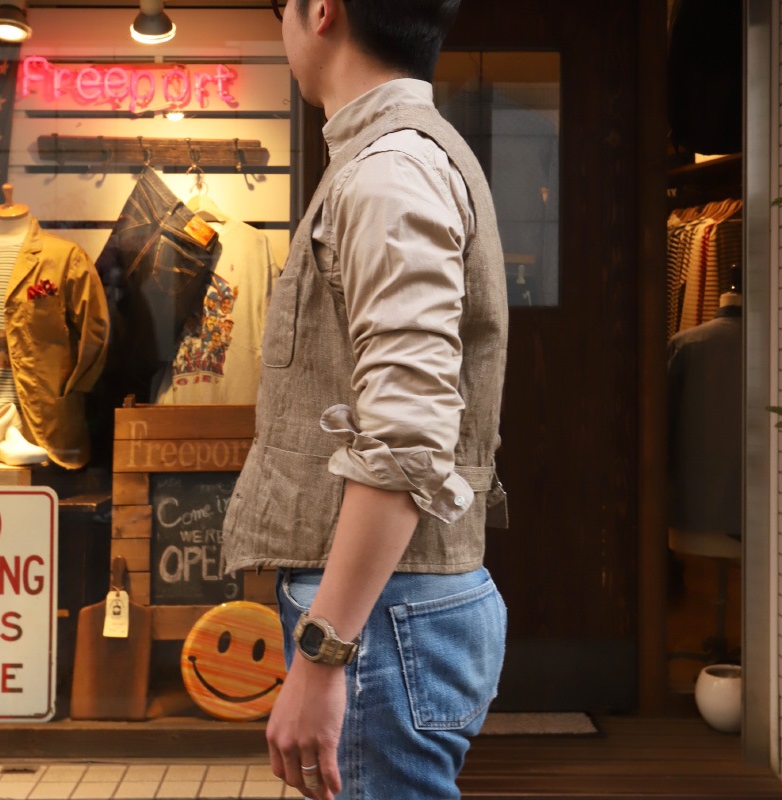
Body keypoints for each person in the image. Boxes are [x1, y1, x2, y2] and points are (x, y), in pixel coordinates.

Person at [222, 1, 509, 798]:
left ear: (322, 10)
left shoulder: (390, 170)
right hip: (388, 612)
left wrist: (323, 652)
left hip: (382, 616)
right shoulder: (385, 160)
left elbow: (408, 437)